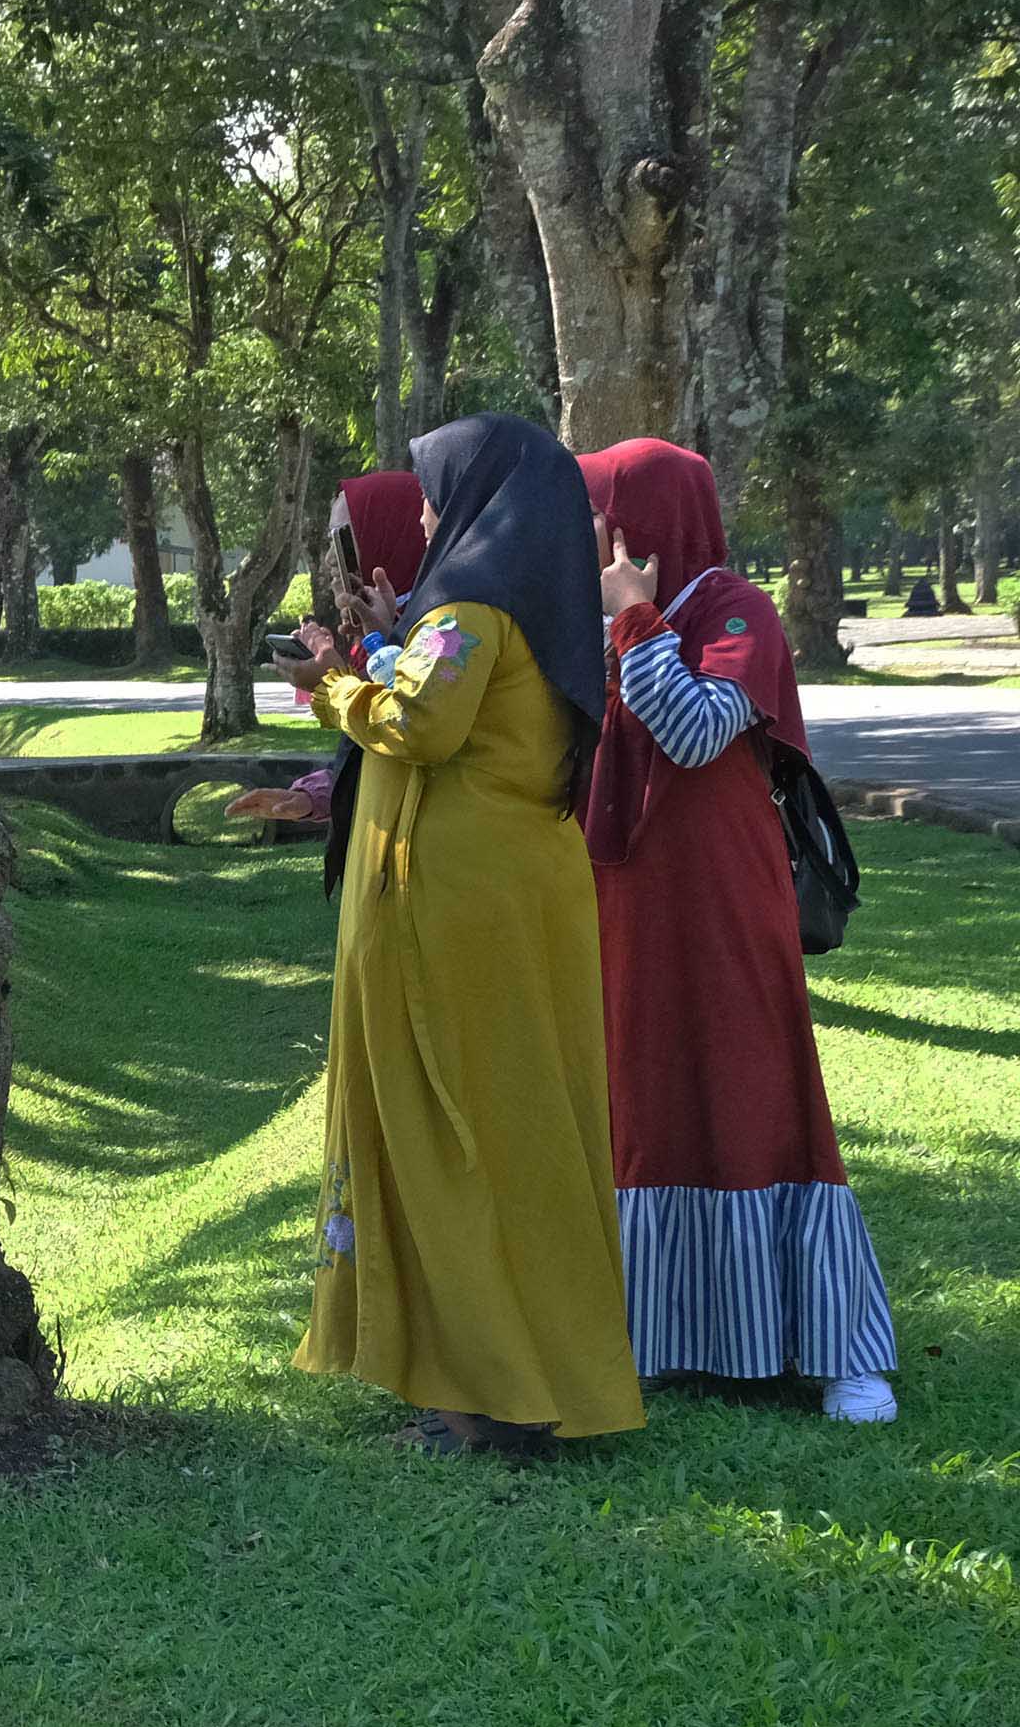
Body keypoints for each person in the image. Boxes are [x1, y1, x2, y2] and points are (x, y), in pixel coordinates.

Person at [278, 413, 642, 1457]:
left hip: (452, 895)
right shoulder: (527, 597)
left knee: (446, 1117)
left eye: (437, 496)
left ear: (482, 496)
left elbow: (421, 725)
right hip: (517, 884)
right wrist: (387, 642)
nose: (429, 517)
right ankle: (530, 1376)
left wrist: (328, 686)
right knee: (522, 1117)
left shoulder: (471, 601)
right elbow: (466, 706)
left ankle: (491, 1395)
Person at [581, 438, 898, 1422]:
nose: (579, 532)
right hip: (631, 895)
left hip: (723, 892)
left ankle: (842, 1352)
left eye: (594, 512)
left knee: (761, 1092)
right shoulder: (597, 619)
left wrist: (634, 619)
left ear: (639, 522)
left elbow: (692, 730)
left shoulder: (734, 608)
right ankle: (666, 1334)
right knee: (648, 1102)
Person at [308, 469, 430, 882]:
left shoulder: (440, 630)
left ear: (389, 534)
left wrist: (330, 682)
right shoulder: (376, 633)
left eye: (343, 539)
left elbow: (412, 730)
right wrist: (318, 794)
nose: (330, 559)